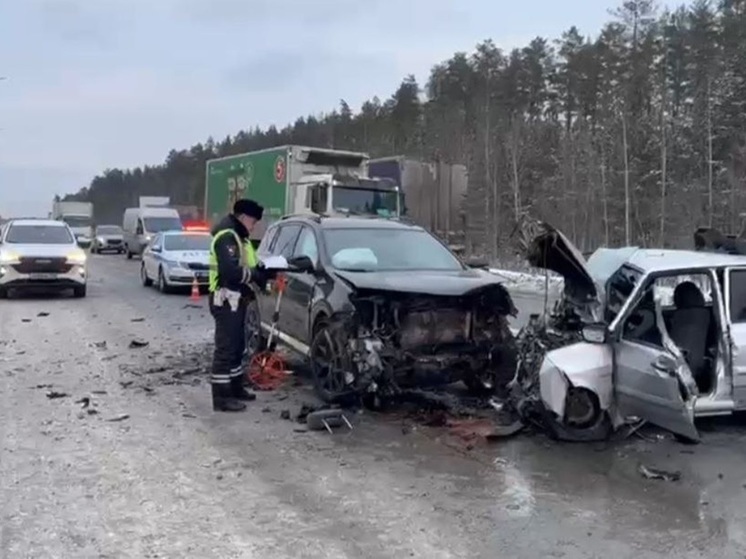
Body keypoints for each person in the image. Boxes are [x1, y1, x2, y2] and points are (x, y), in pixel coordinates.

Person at [208, 198, 270, 412]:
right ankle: (221, 397)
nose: (254, 227)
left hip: (237, 299)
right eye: (253, 222)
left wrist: (263, 271)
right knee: (225, 349)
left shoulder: (239, 237)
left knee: (236, 347)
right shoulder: (228, 237)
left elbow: (249, 264)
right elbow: (230, 272)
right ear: (244, 218)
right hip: (225, 299)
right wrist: (254, 275)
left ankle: (235, 387)